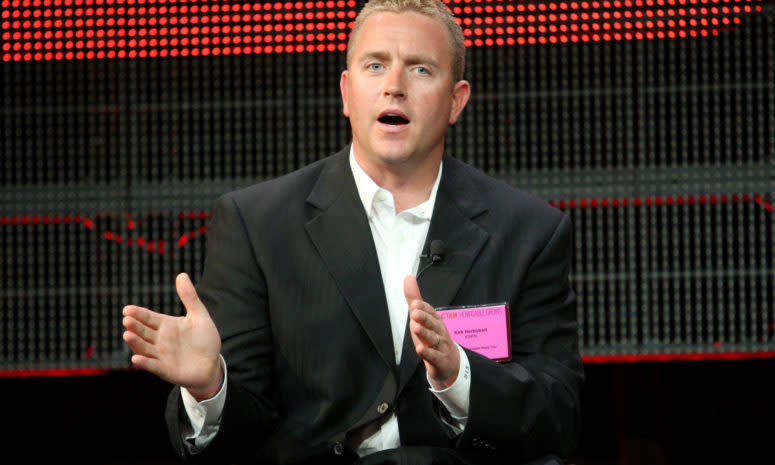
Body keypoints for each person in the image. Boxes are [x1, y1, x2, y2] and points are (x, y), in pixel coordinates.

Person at [121, 1, 584, 464]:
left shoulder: (528, 230)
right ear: (346, 92)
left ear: (455, 101)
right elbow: (245, 431)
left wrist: (459, 376)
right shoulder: (258, 224)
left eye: (420, 70)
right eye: (376, 65)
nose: (394, 87)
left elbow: (558, 416)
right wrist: (209, 386)